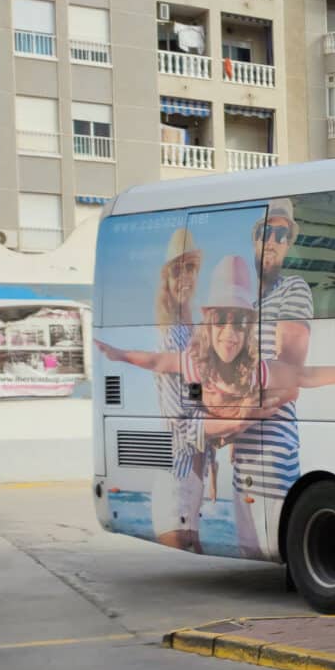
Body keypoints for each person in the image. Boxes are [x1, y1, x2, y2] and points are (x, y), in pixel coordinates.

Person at [96, 252, 335, 559]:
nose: (230, 333)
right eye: (221, 320)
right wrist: (121, 355)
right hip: (182, 477)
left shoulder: (255, 370)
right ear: (208, 323)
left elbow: (301, 375)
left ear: (249, 328)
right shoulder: (194, 365)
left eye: (240, 322)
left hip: (246, 477)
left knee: (234, 543)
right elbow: (164, 373)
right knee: (194, 543)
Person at [231, 200, 314, 559]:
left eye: (283, 234)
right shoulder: (247, 301)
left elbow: (287, 379)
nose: (274, 240)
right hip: (241, 467)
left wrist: (232, 416)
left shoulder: (293, 290)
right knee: (251, 545)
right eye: (268, 231)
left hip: (274, 455)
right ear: (255, 239)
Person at [151, 226, 204, 551]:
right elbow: (180, 416)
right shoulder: (172, 338)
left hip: (192, 480)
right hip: (177, 478)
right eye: (177, 269)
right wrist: (226, 422)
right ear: (167, 280)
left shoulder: (190, 330)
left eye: (191, 267)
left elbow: (195, 395)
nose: (184, 276)